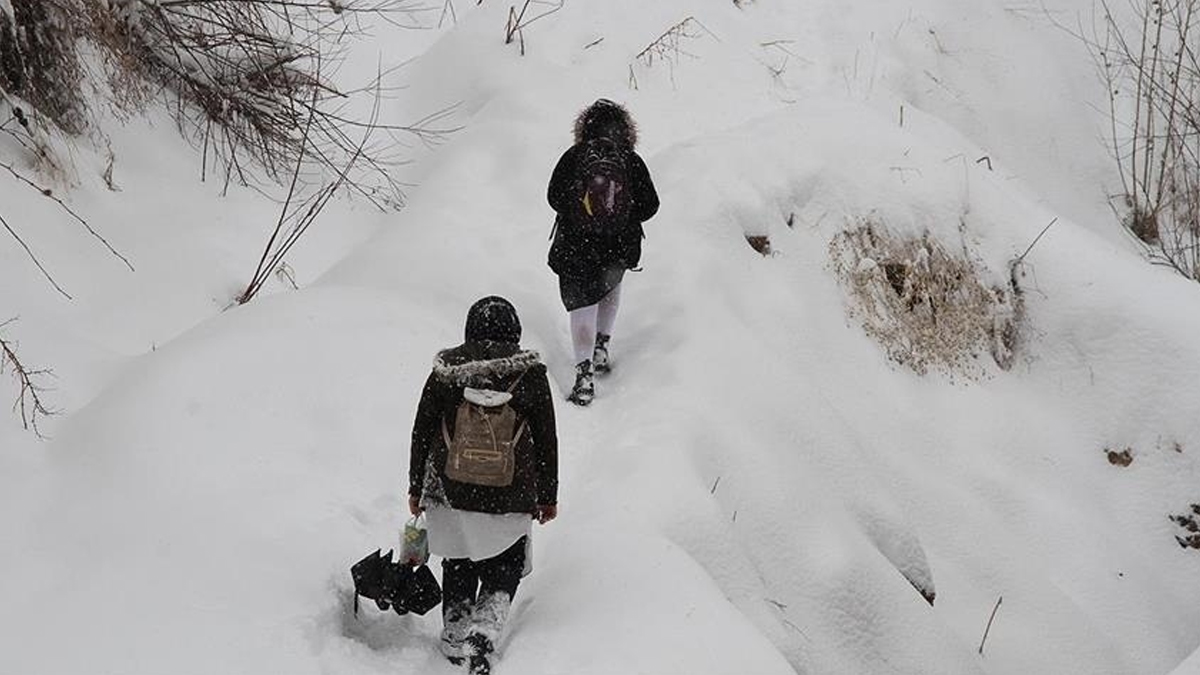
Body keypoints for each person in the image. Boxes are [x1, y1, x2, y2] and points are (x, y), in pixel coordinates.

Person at [408, 296, 559, 675]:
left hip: (450, 488)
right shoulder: (531, 375)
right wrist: (548, 495)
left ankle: (455, 630)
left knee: (458, 558)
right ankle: (485, 630)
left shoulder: (447, 372)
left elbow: (422, 430)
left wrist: (415, 487)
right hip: (511, 489)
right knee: (504, 561)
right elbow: (546, 439)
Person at [547, 98, 659, 406]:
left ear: (584, 127)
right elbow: (651, 205)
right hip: (616, 247)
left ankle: (584, 374)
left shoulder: (574, 156)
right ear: (625, 130)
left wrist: (579, 211)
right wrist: (620, 216)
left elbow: (553, 197)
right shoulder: (630, 160)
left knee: (581, 306)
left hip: (575, 247)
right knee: (609, 287)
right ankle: (602, 347)